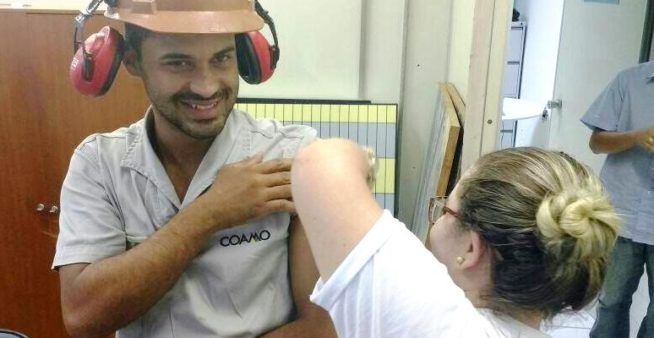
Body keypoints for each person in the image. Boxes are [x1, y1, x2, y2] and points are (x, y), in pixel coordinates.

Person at [52, 1, 335, 337]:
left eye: (222, 58)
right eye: (178, 63)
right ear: (131, 61)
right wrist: (209, 214)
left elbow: (321, 328)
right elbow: (83, 317)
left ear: (246, 57)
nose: (207, 86)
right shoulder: (99, 164)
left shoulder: (293, 154)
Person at [291, 139, 620, 337]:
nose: (433, 223)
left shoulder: (438, 324)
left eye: (445, 210)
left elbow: (320, 164)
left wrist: (367, 160)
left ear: (471, 248)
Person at [583, 60, 654, 338]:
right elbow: (596, 143)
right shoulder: (628, 81)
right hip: (622, 214)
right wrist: (636, 137)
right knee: (611, 302)